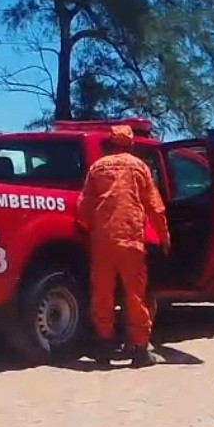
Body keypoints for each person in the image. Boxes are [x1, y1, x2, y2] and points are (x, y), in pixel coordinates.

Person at [77, 123, 171, 368]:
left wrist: (87, 232)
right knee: (135, 296)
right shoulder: (140, 167)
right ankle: (140, 351)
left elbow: (84, 207)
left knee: (102, 294)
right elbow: (155, 206)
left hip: (103, 241)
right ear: (130, 144)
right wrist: (164, 236)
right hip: (131, 240)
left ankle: (103, 348)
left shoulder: (97, 167)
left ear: (110, 143)